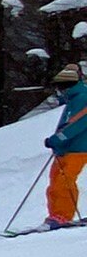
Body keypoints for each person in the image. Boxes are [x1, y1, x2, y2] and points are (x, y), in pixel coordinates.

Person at [45, 62, 87, 228]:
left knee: (64, 182)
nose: (58, 91)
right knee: (55, 181)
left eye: (60, 87)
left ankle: (62, 215)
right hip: (66, 148)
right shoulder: (73, 99)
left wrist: (58, 138)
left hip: (79, 147)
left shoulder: (83, 98)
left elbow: (76, 124)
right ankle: (55, 215)